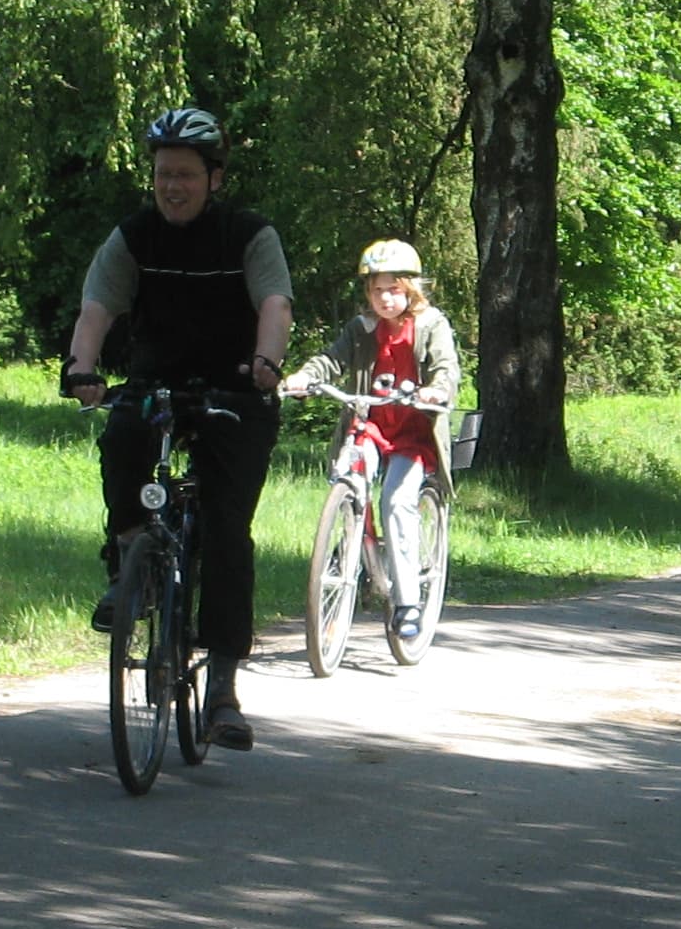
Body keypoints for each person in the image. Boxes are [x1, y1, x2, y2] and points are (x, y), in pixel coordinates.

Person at [64, 108, 293, 751]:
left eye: (186, 175)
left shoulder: (249, 235)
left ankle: (222, 688)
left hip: (235, 388)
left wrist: (266, 363)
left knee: (225, 530)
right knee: (122, 438)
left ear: (214, 178)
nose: (173, 187)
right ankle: (129, 566)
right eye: (164, 174)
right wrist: (81, 366)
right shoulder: (135, 236)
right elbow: (97, 307)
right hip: (158, 381)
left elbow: (274, 303)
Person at [282, 240, 463, 640]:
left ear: (410, 289)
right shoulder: (362, 328)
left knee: (396, 501)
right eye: (377, 290)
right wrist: (305, 377)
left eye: (393, 289)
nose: (385, 298)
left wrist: (435, 390)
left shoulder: (431, 325)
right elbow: (331, 359)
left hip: (413, 435)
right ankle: (349, 552)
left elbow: (447, 368)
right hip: (371, 427)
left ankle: (407, 601)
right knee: (348, 478)